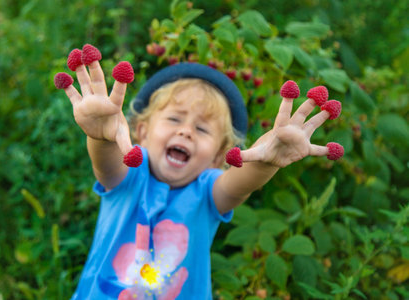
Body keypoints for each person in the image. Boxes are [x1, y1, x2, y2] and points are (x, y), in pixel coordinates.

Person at [61, 55, 335, 299]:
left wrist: (268, 161)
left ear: (218, 157)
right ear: (142, 131)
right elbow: (106, 164)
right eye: (174, 119)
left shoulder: (208, 194)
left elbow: (239, 185)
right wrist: (100, 135)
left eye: (202, 129)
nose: (186, 132)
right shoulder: (130, 175)